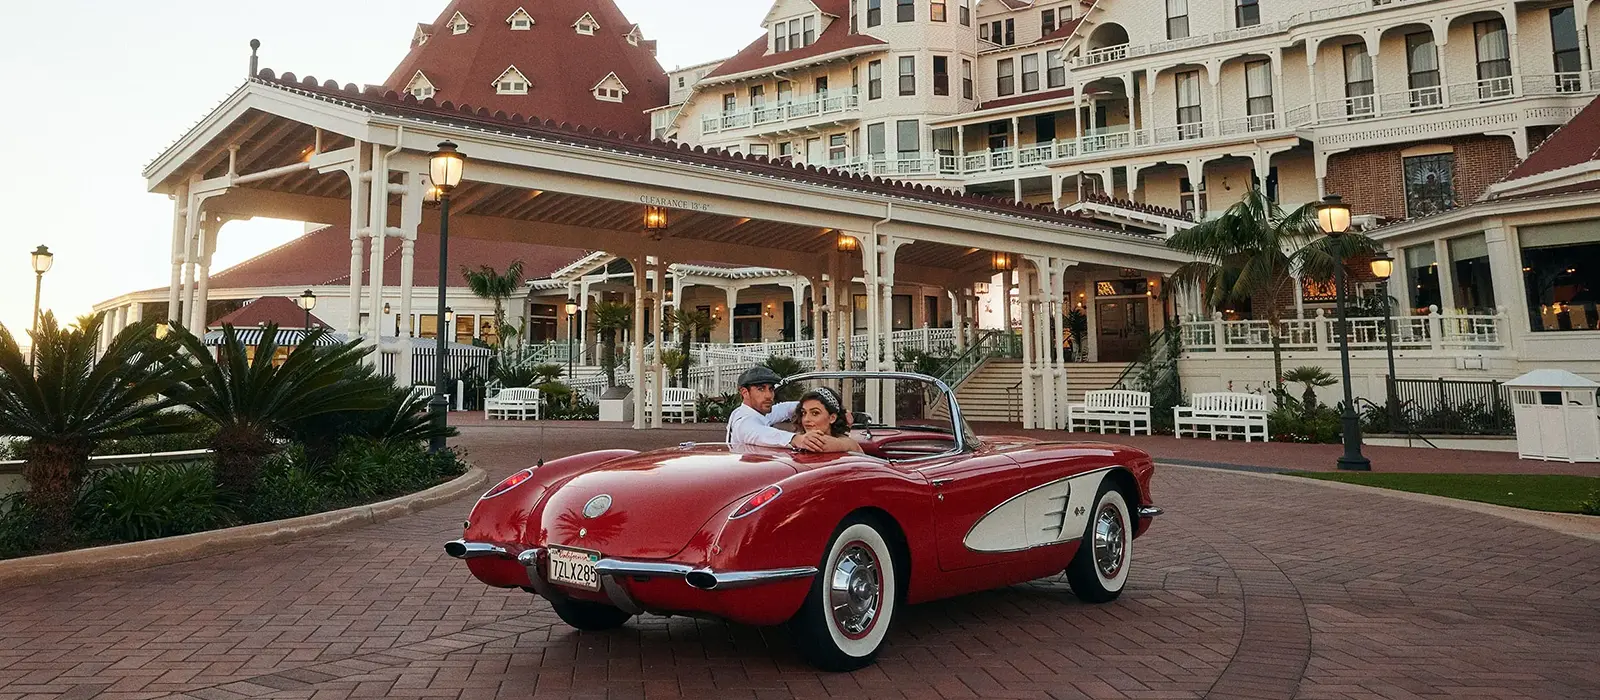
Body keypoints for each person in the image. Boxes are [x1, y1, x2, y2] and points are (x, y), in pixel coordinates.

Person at [726, 367, 829, 451]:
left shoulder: (756, 412)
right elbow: (760, 434)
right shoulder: (744, 422)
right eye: (761, 389)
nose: (768, 395)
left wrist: (821, 407)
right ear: (745, 392)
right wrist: (797, 439)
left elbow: (785, 409)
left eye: (771, 389)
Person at [795, 386, 862, 453]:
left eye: (815, 413)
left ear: (832, 418)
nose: (806, 419)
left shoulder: (848, 444)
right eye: (804, 413)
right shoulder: (796, 438)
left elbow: (821, 443)